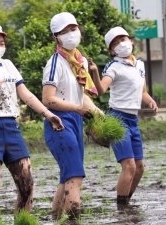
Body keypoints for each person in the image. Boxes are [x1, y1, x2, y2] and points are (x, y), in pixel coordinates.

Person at [0, 22, 65, 225]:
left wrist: (47, 113)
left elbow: (25, 94)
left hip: (11, 129)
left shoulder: (8, 65)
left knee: (27, 186)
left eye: (1, 42)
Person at [42, 12, 102, 220]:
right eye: (64, 32)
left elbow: (80, 96)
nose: (70, 34)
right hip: (58, 121)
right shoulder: (55, 64)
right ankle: (74, 221)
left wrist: (96, 111)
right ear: (55, 37)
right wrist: (77, 109)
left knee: (67, 177)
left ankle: (55, 219)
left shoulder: (80, 61)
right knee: (75, 176)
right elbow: (48, 100)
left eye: (73, 29)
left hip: (75, 121)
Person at [89, 26, 158, 207]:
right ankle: (122, 210)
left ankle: (126, 202)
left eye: (123, 39)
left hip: (133, 119)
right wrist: (95, 72)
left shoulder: (140, 64)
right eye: (116, 43)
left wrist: (150, 100)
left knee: (139, 167)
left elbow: (142, 91)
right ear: (112, 51)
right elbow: (101, 90)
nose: (121, 44)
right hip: (117, 119)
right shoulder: (114, 66)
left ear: (131, 40)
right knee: (129, 165)